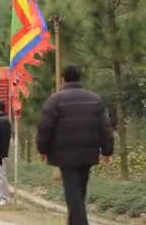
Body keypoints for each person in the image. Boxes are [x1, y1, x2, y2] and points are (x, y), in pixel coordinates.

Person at [37, 65, 114, 225]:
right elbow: (105, 127)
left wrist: (42, 149)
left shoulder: (55, 100)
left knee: (73, 195)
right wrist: (107, 151)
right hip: (88, 152)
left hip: (65, 155)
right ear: (80, 78)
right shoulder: (94, 99)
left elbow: (45, 127)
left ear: (63, 79)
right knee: (79, 193)